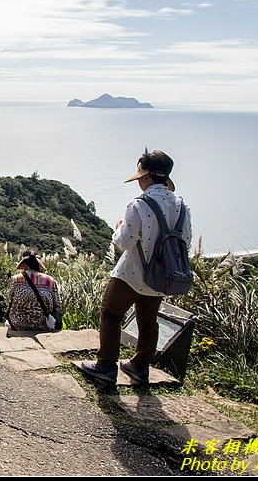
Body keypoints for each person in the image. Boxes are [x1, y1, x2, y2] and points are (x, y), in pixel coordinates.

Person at [81, 149, 192, 385]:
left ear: (147, 176)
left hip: (131, 273)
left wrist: (119, 226)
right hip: (162, 275)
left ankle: (106, 365)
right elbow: (186, 241)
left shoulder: (139, 205)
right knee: (148, 319)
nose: (139, 180)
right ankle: (140, 366)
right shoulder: (182, 205)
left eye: (141, 175)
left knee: (110, 313)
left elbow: (125, 242)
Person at [6, 250, 59, 331]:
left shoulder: (15, 279)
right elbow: (57, 304)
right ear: (39, 264)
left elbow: (10, 297)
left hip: (17, 324)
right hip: (42, 326)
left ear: (24, 264)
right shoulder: (50, 280)